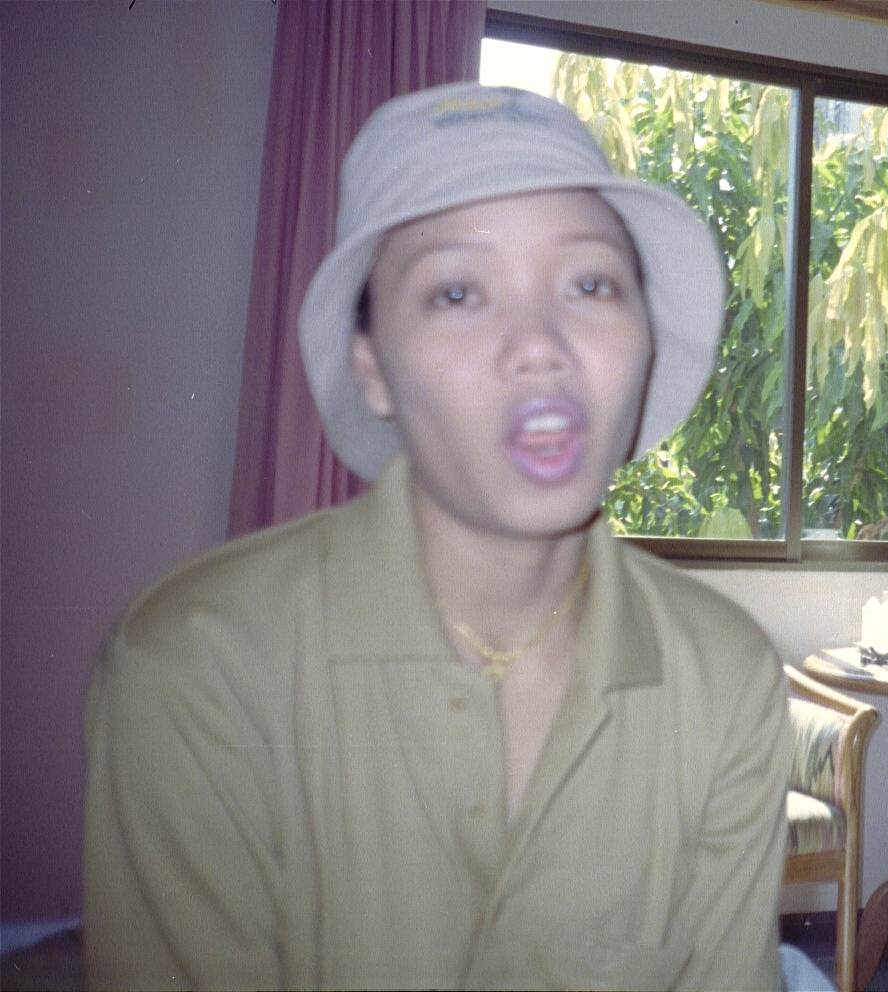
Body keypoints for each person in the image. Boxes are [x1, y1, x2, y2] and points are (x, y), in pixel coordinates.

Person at [84, 84, 792, 990]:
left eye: (590, 284)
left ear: (646, 341)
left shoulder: (724, 675)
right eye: (457, 292)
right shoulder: (198, 664)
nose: (539, 345)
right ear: (372, 370)